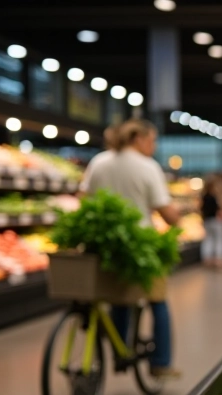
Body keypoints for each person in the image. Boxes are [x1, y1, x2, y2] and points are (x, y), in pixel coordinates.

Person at [84, 119, 181, 379]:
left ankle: (120, 349)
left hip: (106, 245)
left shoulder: (99, 162)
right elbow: (168, 214)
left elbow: (84, 199)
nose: (154, 145)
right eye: (152, 140)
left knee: (119, 297)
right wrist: (179, 213)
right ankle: (161, 362)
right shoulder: (147, 167)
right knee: (157, 299)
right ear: (139, 139)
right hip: (141, 245)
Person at [201, 172, 222, 268]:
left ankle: (207, 259)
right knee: (220, 240)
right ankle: (219, 260)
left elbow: (201, 209)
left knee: (208, 240)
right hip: (217, 221)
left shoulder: (204, 196)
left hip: (207, 221)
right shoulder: (218, 196)